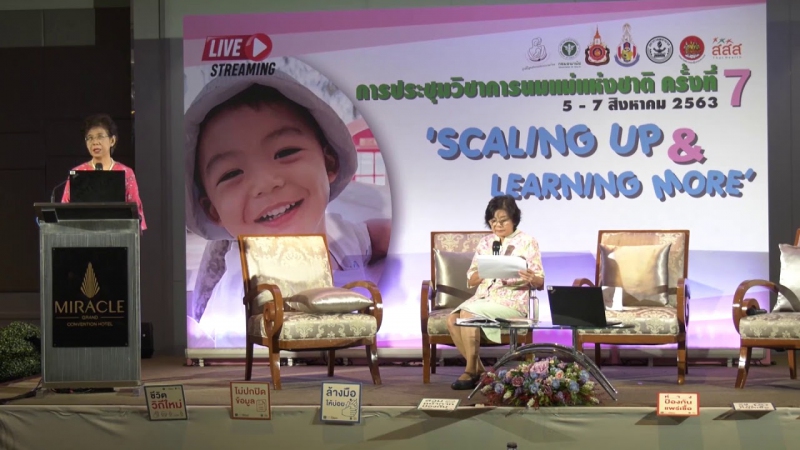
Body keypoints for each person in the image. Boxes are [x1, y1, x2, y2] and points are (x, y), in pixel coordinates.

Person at [184, 72, 391, 348]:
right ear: (213, 210)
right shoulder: (238, 296)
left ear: (329, 163)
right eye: (232, 173)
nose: (265, 183)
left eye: (285, 152)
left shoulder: (340, 234)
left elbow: (376, 236)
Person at [446, 195, 545, 390]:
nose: (497, 225)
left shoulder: (527, 241)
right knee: (452, 319)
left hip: (511, 302)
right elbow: (471, 279)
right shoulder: (486, 243)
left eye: (503, 220)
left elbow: (540, 281)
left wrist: (531, 277)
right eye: (493, 221)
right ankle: (481, 372)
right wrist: (486, 271)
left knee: (467, 314)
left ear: (514, 219)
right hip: (483, 299)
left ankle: (469, 371)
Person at [61, 114, 147, 231]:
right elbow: (64, 210)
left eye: (100, 136)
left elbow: (136, 212)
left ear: (112, 140)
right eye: (90, 138)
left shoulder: (126, 172)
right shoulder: (77, 173)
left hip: (118, 236)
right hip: (82, 235)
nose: (95, 142)